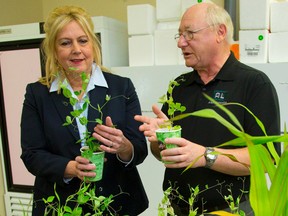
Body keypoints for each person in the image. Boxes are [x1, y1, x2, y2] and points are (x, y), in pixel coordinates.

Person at [135, 2, 280, 216]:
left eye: (190, 34)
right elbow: (162, 154)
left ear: (220, 32)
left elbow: (265, 159)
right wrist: (159, 141)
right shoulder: (179, 86)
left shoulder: (254, 83)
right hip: (178, 208)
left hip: (231, 210)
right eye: (179, 35)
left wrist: (205, 155)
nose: (181, 43)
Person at [20, 5, 148, 216]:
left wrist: (124, 147)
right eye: (65, 43)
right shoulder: (37, 94)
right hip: (60, 205)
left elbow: (139, 149)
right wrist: (70, 168)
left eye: (82, 40)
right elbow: (32, 154)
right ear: (53, 50)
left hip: (116, 204)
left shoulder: (121, 87)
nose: (76, 50)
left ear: (93, 44)